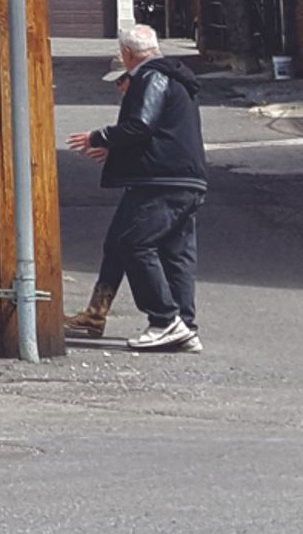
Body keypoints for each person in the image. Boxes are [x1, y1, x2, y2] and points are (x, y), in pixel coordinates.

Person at [73, 22, 210, 352]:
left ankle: (164, 319)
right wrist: (117, 149)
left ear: (127, 54)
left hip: (161, 179)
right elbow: (161, 131)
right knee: (176, 253)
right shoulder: (177, 77)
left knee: (134, 243)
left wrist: (100, 137)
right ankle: (183, 325)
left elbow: (141, 125)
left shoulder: (151, 76)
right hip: (186, 178)